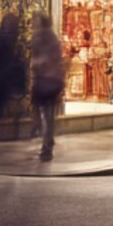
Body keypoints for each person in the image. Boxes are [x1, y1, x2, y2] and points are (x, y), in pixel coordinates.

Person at [28, 13, 64, 162]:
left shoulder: (48, 38)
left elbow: (52, 58)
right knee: (42, 111)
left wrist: (39, 63)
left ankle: (46, 146)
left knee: (47, 114)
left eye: (36, 21)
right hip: (43, 79)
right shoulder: (39, 37)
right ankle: (46, 136)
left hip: (50, 80)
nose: (34, 24)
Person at [0, 12, 25, 139]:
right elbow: (5, 60)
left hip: (1, 77)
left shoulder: (1, 36)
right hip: (3, 78)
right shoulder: (6, 39)